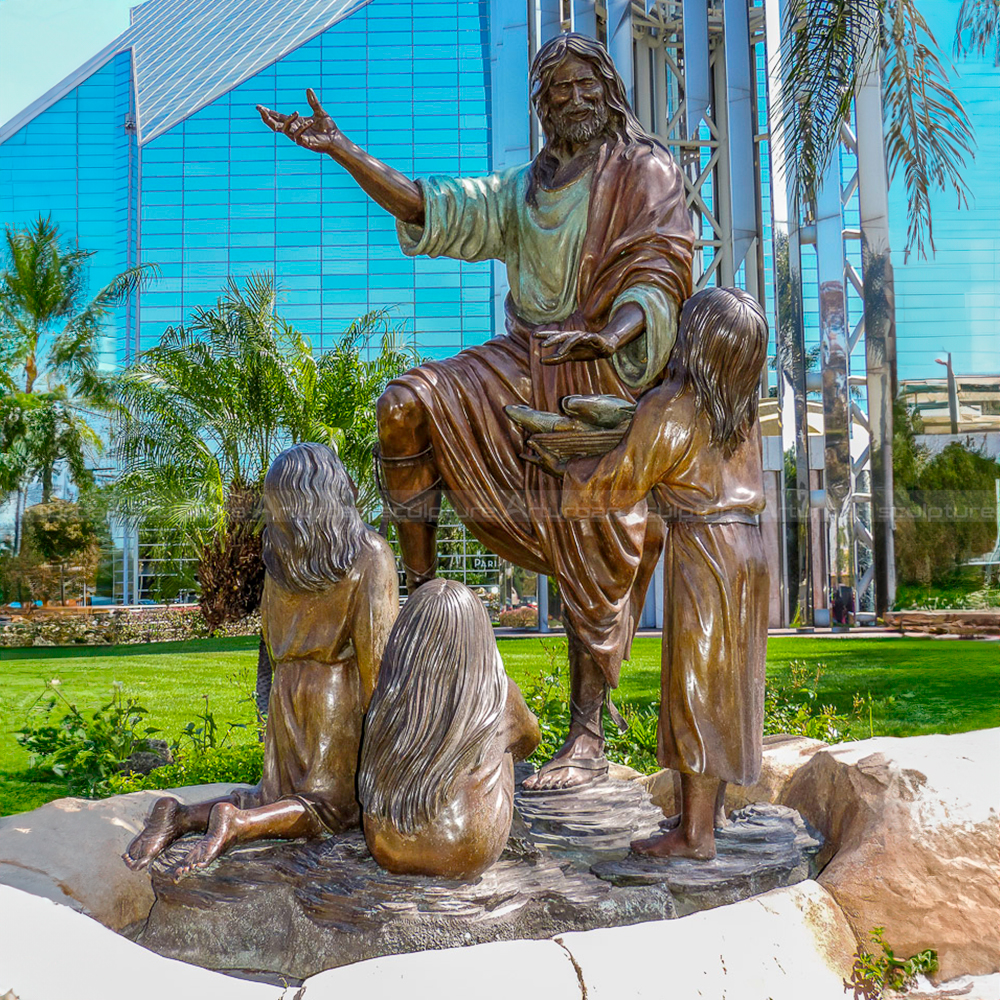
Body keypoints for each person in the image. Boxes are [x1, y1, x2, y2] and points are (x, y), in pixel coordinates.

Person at [258, 33, 695, 790]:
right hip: (524, 360)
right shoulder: (522, 191)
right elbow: (431, 205)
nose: (574, 99)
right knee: (404, 405)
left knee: (589, 521)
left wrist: (606, 335)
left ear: (608, 88)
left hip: (608, 366)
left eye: (585, 84)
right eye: (557, 89)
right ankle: (420, 606)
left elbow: (660, 273)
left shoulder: (644, 171)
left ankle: (587, 734)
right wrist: (341, 150)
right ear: (541, 105)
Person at [531, 288, 769, 860]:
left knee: (698, 686)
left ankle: (695, 837)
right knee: (730, 686)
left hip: (706, 552)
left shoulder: (673, 407)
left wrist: (565, 467)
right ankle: (708, 817)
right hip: (749, 551)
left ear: (696, 342)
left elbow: (620, 481)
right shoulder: (739, 415)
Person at [123, 443, 398, 876]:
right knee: (330, 810)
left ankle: (181, 815)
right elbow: (378, 665)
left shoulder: (281, 559)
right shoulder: (368, 552)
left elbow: (271, 636)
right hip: (335, 695)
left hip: (287, 691)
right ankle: (238, 825)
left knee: (272, 795)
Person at [358, 578, 540, 880]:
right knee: (501, 742)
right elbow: (530, 739)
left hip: (386, 848)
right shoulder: (498, 693)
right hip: (466, 852)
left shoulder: (389, 695)